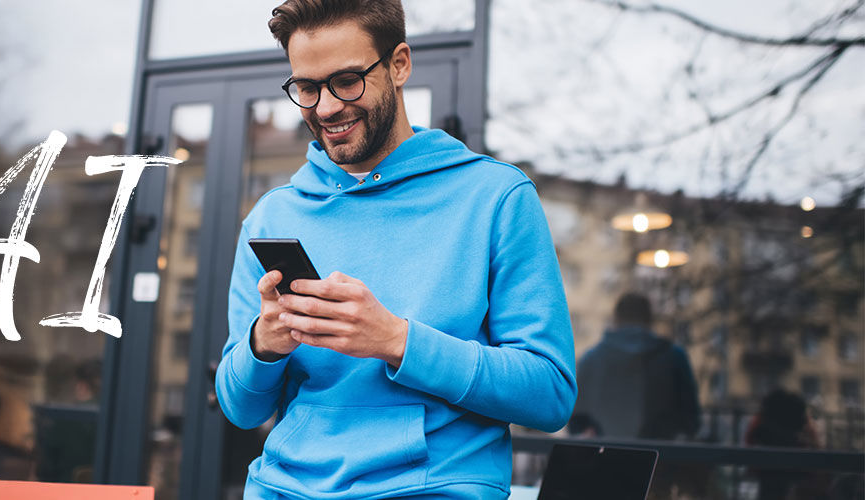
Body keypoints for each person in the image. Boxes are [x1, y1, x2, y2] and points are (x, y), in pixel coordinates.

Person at [214, 1, 577, 497]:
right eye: (307, 87)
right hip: (282, 487)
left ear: (399, 64)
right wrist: (264, 344)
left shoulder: (496, 198)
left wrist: (397, 341)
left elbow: (550, 394)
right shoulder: (274, 215)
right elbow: (240, 408)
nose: (325, 108)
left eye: (346, 81)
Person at [572, 293, 701, 441]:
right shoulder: (675, 357)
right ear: (649, 320)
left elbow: (577, 421)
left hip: (604, 457)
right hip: (662, 458)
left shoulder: (591, 359)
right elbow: (691, 420)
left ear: (616, 319)